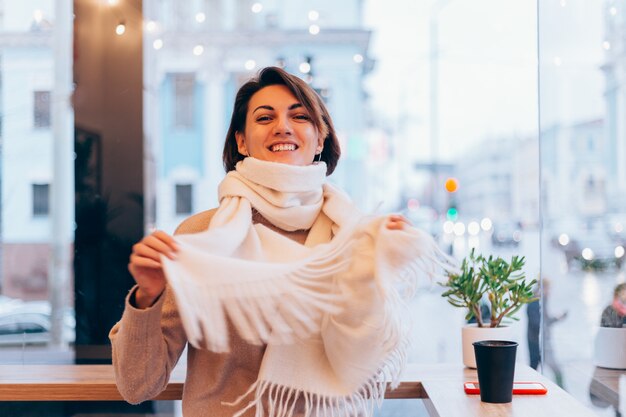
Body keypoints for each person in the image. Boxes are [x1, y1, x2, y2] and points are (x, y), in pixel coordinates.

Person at [109, 67, 450, 417]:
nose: (283, 126)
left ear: (320, 139)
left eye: (299, 116)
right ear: (241, 141)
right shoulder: (203, 236)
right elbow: (137, 386)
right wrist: (147, 298)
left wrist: (383, 260)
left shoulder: (354, 238)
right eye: (264, 117)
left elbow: (365, 363)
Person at [526, 278, 567, 388]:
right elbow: (537, 323)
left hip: (539, 339)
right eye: (549, 288)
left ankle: (561, 391)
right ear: (543, 288)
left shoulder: (541, 300)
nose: (550, 291)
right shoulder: (535, 302)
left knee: (535, 367)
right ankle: (563, 392)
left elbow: (545, 320)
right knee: (549, 368)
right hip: (537, 340)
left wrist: (558, 318)